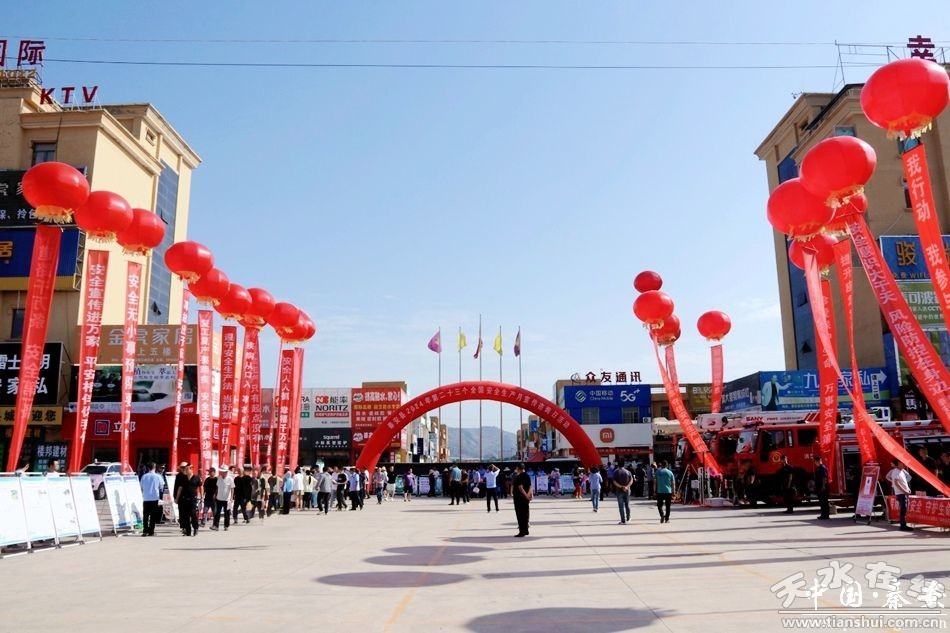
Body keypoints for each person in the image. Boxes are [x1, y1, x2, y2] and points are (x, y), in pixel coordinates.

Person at [886, 459, 914, 531]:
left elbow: (903, 482)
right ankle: (903, 525)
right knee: (903, 509)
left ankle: (903, 524)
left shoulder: (901, 471)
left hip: (903, 493)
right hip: (901, 493)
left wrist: (907, 489)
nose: (904, 465)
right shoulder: (896, 471)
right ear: (898, 463)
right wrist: (905, 491)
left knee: (904, 508)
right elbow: (896, 483)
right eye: (902, 463)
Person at [174, 463, 201, 536]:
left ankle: (195, 528)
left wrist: (201, 496)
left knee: (193, 514)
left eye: (187, 469)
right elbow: (180, 488)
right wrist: (177, 498)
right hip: (184, 499)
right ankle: (188, 531)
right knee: (185, 516)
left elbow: (200, 486)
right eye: (185, 469)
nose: (185, 470)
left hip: (193, 499)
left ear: (191, 469)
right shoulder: (183, 478)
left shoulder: (196, 477)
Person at [140, 462, 164, 536]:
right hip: (154, 498)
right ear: (155, 468)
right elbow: (161, 487)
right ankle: (151, 531)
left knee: (145, 516)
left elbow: (141, 487)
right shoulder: (158, 476)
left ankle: (145, 530)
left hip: (146, 498)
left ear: (148, 468)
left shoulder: (144, 476)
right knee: (153, 516)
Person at [513, 463, 532, 537]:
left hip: (519, 498)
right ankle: (526, 530)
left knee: (520, 515)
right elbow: (530, 486)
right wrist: (529, 495)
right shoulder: (527, 475)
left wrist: (526, 496)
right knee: (526, 514)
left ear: (518, 468)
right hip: (525, 498)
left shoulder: (519, 476)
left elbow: (520, 488)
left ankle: (522, 532)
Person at [212, 465, 234, 531]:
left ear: (226, 472)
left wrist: (231, 497)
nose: (221, 472)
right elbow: (217, 487)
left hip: (227, 499)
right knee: (217, 513)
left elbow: (232, 488)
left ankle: (226, 526)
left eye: (223, 471)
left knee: (227, 513)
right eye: (221, 471)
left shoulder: (230, 479)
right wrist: (215, 494)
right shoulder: (219, 478)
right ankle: (216, 526)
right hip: (219, 498)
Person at [612, 460, 633, 525]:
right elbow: (631, 480)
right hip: (627, 490)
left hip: (619, 491)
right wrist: (627, 487)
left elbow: (614, 481)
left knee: (621, 506)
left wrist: (621, 487)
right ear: (624, 465)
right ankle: (628, 518)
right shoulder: (628, 472)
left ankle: (623, 520)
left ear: (618, 465)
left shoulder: (616, 472)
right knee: (627, 504)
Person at [813, 455, 830, 520]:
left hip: (823, 487)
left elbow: (824, 478)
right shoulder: (818, 468)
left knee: (824, 501)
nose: (815, 463)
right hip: (819, 487)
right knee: (821, 502)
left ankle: (826, 515)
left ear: (819, 461)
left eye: (816, 461)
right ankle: (823, 514)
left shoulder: (822, 468)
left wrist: (823, 486)